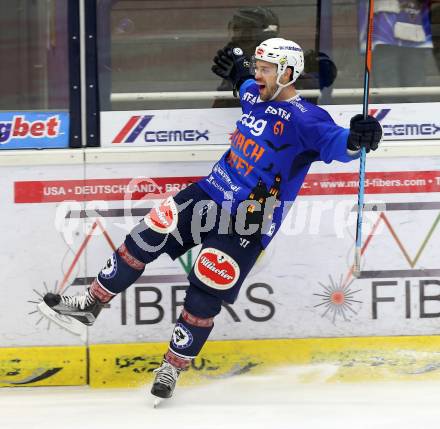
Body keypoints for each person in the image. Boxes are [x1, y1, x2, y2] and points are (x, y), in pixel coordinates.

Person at [38, 37, 382, 402]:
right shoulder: (253, 94)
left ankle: (172, 367)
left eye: (266, 69)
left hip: (251, 219)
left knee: (205, 290)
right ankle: (92, 302)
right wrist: (236, 62)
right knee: (145, 236)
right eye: (258, 67)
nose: (258, 75)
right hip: (211, 192)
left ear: (288, 73)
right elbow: (241, 80)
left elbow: (340, 143)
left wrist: (360, 137)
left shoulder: (307, 120)